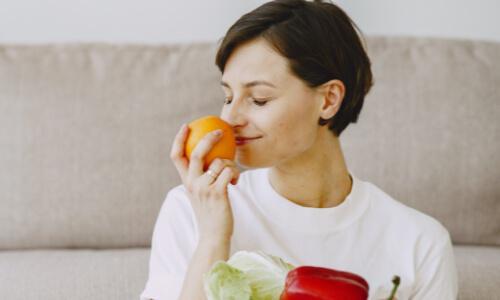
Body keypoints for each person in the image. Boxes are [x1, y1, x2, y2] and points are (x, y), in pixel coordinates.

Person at [140, 0, 459, 299]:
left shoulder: (420, 244)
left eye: (259, 99)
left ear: (329, 99)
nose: (229, 118)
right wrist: (212, 238)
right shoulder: (190, 210)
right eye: (227, 97)